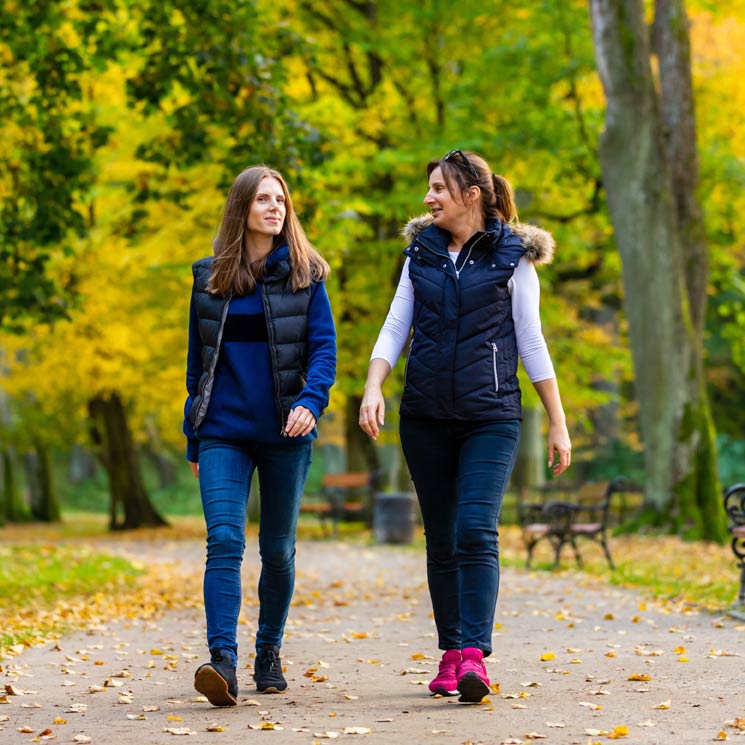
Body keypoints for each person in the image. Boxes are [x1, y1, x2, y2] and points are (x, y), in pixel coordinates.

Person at [359, 149, 570, 703]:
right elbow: (395, 324)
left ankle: (474, 654)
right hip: (424, 415)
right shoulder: (420, 253)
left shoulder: (513, 257)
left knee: (476, 528)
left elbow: (531, 339)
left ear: (471, 194)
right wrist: (373, 385)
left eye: (438, 189)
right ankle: (450, 652)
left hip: (491, 416)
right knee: (442, 537)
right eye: (428, 189)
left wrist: (557, 420)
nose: (428, 199)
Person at [183, 165, 336, 706]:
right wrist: (193, 439)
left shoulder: (307, 275)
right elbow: (197, 367)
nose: (276, 207)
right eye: (265, 199)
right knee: (224, 540)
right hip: (223, 432)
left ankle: (267, 651)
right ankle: (221, 660)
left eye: (282, 200)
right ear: (242, 207)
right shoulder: (209, 279)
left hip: (285, 433)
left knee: (277, 550)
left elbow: (324, 352)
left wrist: (310, 402)